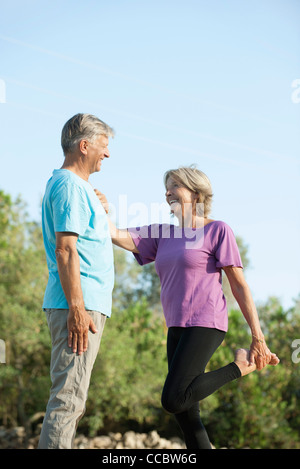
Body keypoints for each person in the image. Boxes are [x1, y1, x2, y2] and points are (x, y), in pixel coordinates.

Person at [96, 165, 279, 449]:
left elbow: (239, 285)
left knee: (173, 399)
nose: (168, 192)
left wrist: (258, 336)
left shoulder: (217, 230)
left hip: (206, 323)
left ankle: (241, 366)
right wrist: (101, 210)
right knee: (186, 414)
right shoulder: (162, 234)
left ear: (196, 193)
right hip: (176, 325)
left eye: (175, 186)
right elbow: (115, 234)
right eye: (167, 187)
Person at [38, 113, 115, 449]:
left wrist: (99, 208)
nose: (107, 155)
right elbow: (66, 250)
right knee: (68, 400)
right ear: (84, 146)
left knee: (72, 399)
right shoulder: (69, 186)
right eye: (103, 146)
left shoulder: (75, 187)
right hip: (78, 306)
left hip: (81, 303)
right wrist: (77, 308)